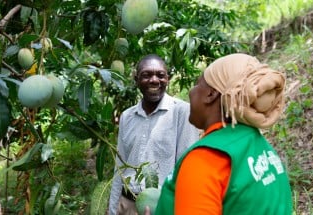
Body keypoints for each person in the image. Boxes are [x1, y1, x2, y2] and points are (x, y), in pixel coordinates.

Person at [154, 53, 293, 214]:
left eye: (197, 84)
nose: (191, 93)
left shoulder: (205, 160)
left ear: (210, 94)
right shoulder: (260, 146)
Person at [108, 54, 200, 215]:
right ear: (136, 79)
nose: (154, 80)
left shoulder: (181, 112)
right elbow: (120, 166)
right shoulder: (127, 116)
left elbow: (187, 169)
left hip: (161, 207)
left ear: (168, 79)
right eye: (146, 75)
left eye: (160, 75)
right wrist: (112, 209)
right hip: (126, 205)